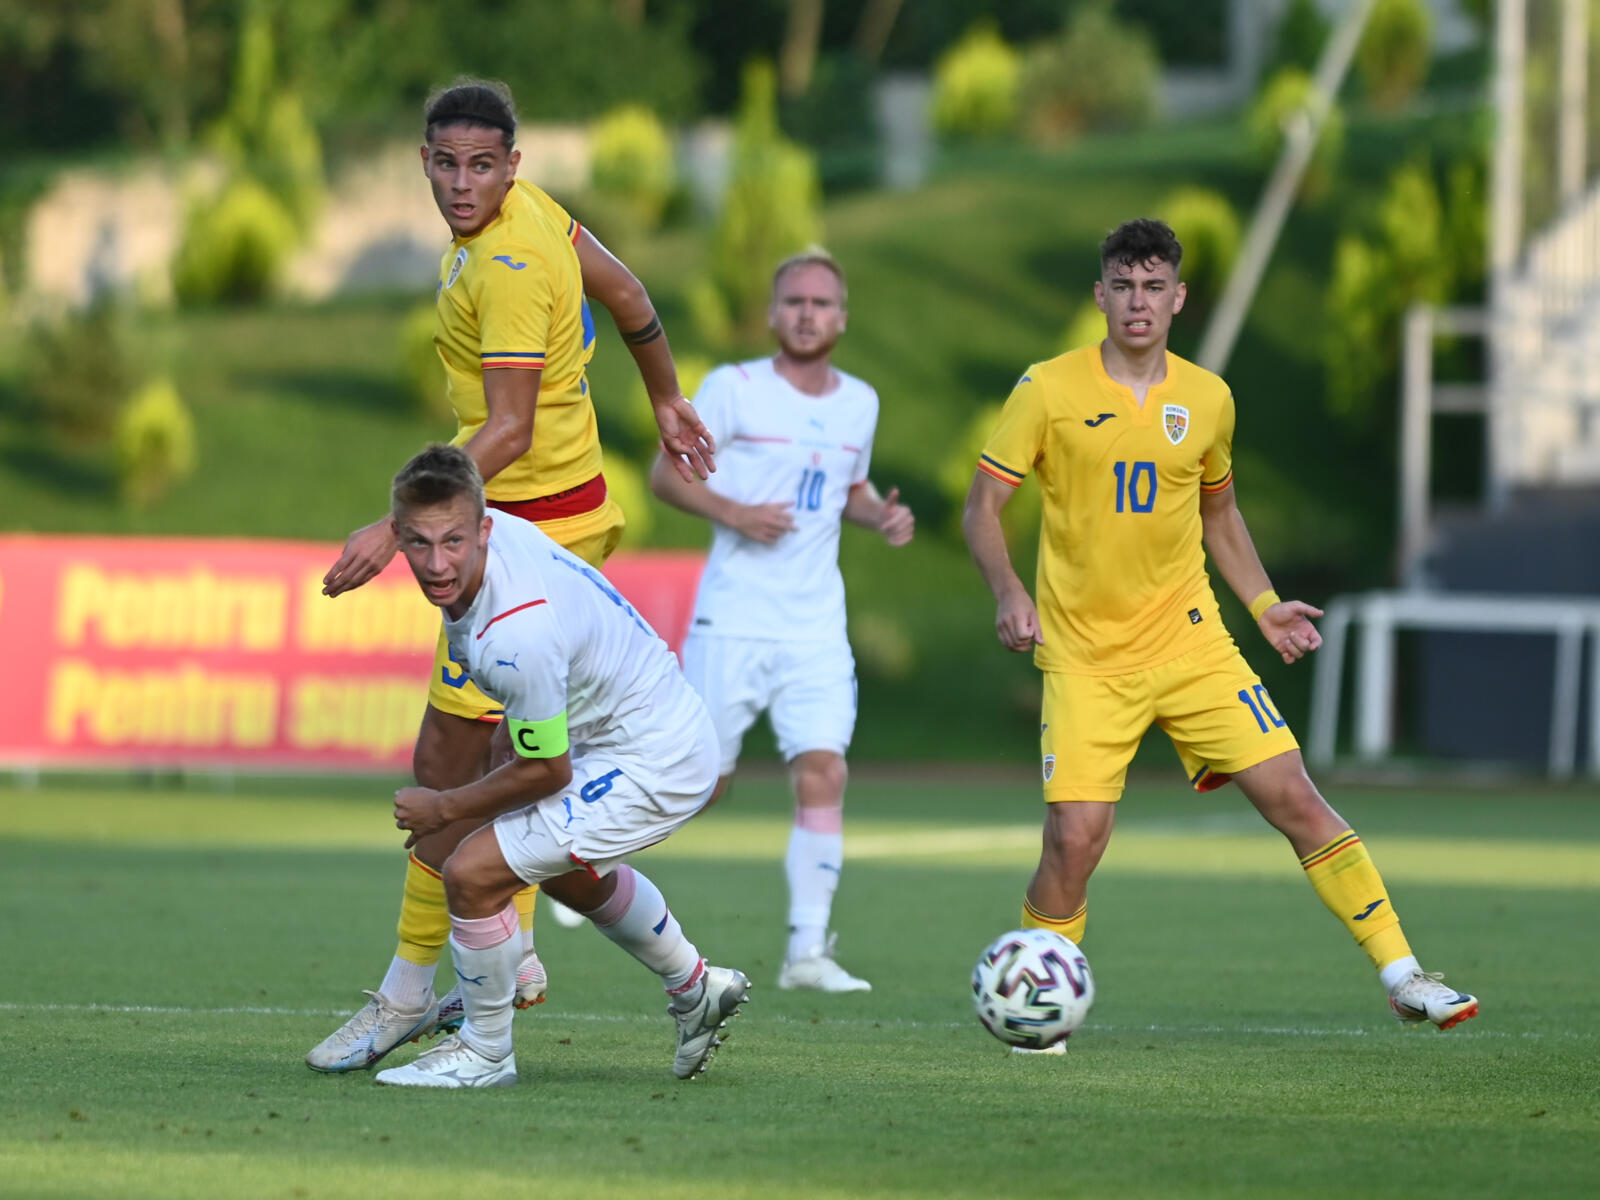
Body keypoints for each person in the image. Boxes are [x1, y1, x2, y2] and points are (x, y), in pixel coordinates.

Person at [961, 218, 1477, 1050]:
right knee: (1074, 841)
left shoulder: (1208, 398)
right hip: (1087, 658)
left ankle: (1404, 975)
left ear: (1178, 298)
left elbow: (1220, 511)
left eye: (1153, 287)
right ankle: (1037, 1007)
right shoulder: (1048, 389)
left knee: (1295, 796)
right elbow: (983, 506)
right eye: (1123, 287)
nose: (1138, 302)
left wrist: (1263, 603)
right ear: (1100, 295)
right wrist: (1009, 589)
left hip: (1192, 644)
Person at [307, 79, 715, 1073]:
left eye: (482, 165)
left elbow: (511, 428)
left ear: (512, 166)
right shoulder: (530, 214)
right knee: (493, 770)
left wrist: (397, 527)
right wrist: (665, 397)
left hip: (526, 533)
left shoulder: (511, 262)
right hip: (544, 516)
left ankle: (412, 994)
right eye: (447, 163)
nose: (462, 183)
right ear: (424, 161)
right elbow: (631, 295)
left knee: (449, 769)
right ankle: (527, 953)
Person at [369, 444, 748, 1088]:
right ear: (398, 537)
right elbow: (519, 736)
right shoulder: (500, 550)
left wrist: (444, 808)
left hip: (655, 757)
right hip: (628, 725)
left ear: (484, 529)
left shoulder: (514, 633)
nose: (436, 564)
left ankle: (485, 1054)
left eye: (453, 541)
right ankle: (696, 986)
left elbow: (547, 771)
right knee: (563, 875)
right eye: (419, 543)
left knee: (470, 872)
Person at [648, 249, 914, 993]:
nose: (807, 313)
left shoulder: (860, 402)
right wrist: (735, 512)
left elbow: (847, 490)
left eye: (821, 303)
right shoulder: (732, 389)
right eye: (794, 301)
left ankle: (807, 952)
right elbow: (666, 474)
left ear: (843, 318)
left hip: (815, 627)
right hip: (733, 616)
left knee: (824, 769)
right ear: (771, 313)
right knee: (701, 783)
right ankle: (583, 860)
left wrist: (880, 515)